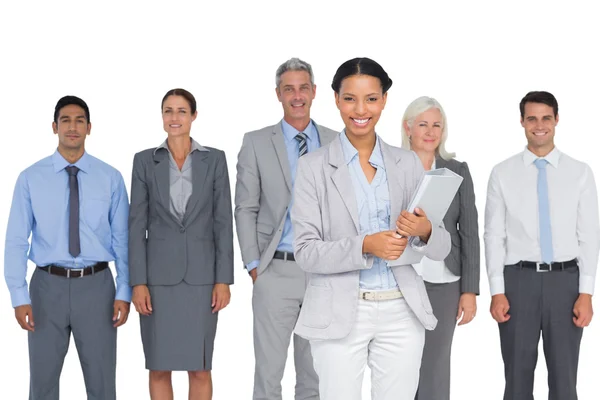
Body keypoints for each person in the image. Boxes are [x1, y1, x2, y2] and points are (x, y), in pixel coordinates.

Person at [291, 57, 451, 400]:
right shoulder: (312, 167)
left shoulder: (406, 163)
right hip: (339, 313)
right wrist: (365, 245)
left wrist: (425, 231)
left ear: (384, 101)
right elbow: (305, 252)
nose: (360, 109)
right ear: (335, 99)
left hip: (401, 310)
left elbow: (441, 248)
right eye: (350, 98)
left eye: (371, 99)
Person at [4, 95, 131, 400]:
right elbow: (16, 239)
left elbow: (123, 239)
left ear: (89, 128)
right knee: (43, 384)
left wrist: (123, 291)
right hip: (47, 288)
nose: (72, 127)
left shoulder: (110, 178)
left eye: (79, 121)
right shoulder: (30, 178)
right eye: (65, 120)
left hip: (98, 287)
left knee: (102, 385)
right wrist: (18, 295)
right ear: (54, 127)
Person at [234, 57, 337, 400]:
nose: (297, 95)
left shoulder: (338, 142)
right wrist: (253, 264)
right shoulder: (256, 142)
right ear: (278, 94)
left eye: (303, 88)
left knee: (315, 376)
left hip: (323, 273)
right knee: (268, 374)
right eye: (289, 89)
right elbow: (245, 206)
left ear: (314, 92)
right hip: (274, 270)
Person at [484, 91, 598, 400]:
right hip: (519, 281)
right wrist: (497, 291)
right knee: (517, 380)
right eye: (531, 118)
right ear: (521, 121)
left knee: (564, 381)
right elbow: (494, 235)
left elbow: (589, 235)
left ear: (557, 120)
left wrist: (586, 293)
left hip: (566, 282)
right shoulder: (502, 173)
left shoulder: (580, 173)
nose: (539, 125)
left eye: (546, 117)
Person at [128, 88, 233, 400]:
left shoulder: (214, 160)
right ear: (162, 117)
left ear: (194, 116)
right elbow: (136, 225)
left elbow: (223, 222)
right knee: (159, 367)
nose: (175, 117)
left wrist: (223, 279)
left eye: (181, 111)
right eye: (168, 111)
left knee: (200, 367)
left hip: (202, 280)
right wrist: (138, 282)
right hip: (158, 280)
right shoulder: (145, 161)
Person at [400, 96, 480, 400]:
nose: (431, 131)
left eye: (437, 125)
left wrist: (469, 291)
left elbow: (469, 232)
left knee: (434, 366)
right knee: (401, 365)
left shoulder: (457, 169)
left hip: (445, 282)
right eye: (423, 124)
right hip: (403, 279)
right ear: (408, 128)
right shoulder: (390, 166)